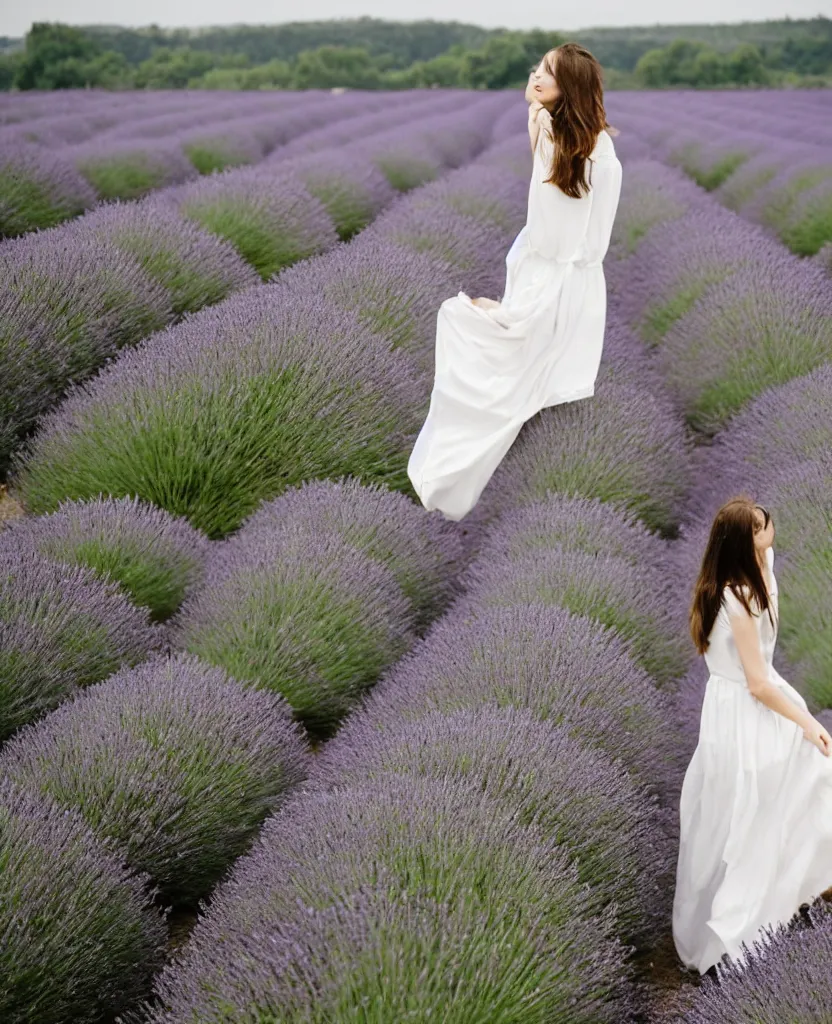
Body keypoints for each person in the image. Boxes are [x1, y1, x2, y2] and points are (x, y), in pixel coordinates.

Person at [407, 43, 623, 521]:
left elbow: (577, 240)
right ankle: (503, 493)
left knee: (512, 389)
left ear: (572, 87)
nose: (536, 76)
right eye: (538, 68)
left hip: (561, 284)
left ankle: (502, 493)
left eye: (548, 71)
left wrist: (522, 303)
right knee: (517, 389)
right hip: (556, 279)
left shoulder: (583, 148)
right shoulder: (563, 135)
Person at [673, 496, 832, 977]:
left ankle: (811, 890)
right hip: (744, 713)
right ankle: (748, 925)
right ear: (746, 542)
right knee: (754, 812)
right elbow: (757, 683)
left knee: (803, 787)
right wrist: (806, 721)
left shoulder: (759, 574)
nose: (771, 530)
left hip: (752, 702)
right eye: (762, 528)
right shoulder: (735, 596)